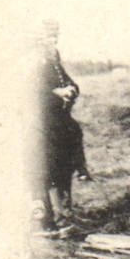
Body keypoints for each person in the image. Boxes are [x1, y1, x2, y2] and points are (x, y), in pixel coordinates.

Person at [35, 20, 87, 229]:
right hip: (41, 121)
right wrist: (56, 94)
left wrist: (70, 91)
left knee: (73, 136)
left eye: (55, 37)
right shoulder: (34, 62)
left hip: (58, 118)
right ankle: (53, 217)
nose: (53, 41)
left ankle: (66, 212)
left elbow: (70, 82)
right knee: (51, 168)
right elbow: (32, 92)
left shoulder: (54, 60)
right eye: (49, 37)